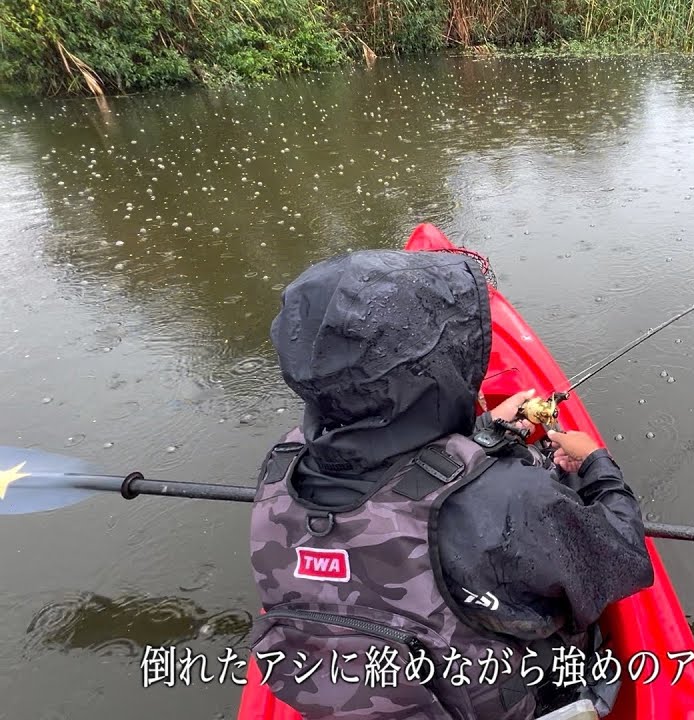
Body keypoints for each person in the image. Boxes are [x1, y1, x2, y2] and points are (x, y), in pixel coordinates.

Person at [246, 248, 654, 720]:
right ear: (435, 369)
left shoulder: (283, 463)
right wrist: (598, 467)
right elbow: (620, 562)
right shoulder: (515, 498)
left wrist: (477, 439)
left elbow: (384, 474)